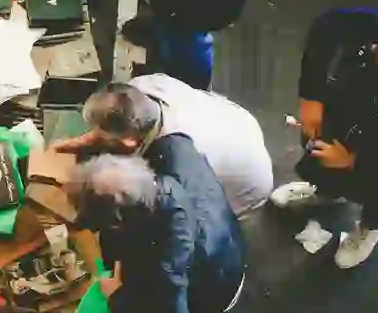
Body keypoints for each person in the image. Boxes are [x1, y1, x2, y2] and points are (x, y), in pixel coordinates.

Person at [271, 8, 378, 268]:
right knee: (327, 145)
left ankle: (372, 225)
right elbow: (328, 24)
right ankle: (327, 192)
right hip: (361, 103)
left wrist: (356, 161)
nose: (373, 48)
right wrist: (312, 96)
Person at [68, 141, 246, 313]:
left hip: (217, 282)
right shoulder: (170, 149)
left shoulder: (166, 266)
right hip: (224, 233)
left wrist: (117, 297)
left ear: (118, 222)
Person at [51, 77, 273, 215]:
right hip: (240, 124)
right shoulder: (144, 87)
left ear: (129, 142)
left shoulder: (175, 161)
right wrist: (85, 140)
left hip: (247, 186)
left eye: (101, 133)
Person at [122, 0, 251, 89]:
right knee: (173, 23)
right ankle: (160, 28)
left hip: (206, 2)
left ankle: (190, 87)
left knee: (189, 39)